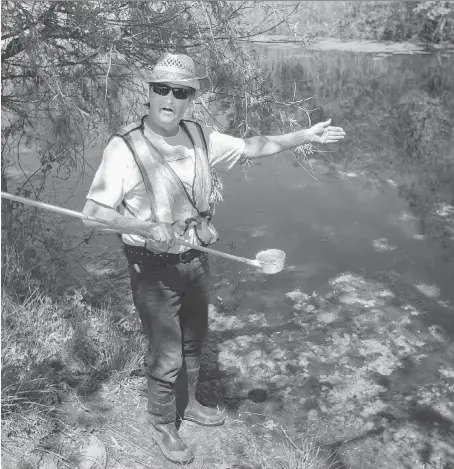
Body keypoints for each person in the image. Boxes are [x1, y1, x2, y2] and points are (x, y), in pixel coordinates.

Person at [83, 52, 345, 464]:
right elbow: (93, 215)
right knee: (165, 351)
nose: (170, 98)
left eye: (181, 91)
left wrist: (305, 136)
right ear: (149, 93)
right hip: (151, 267)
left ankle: (188, 405)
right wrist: (145, 227)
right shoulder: (124, 148)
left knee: (193, 341)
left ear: (191, 98)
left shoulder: (199, 136)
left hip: (196, 259)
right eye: (162, 89)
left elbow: (255, 146)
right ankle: (162, 423)